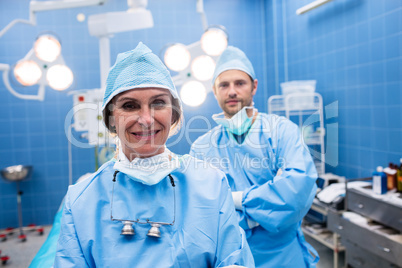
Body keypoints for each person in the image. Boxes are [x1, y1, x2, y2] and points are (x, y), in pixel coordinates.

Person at [54, 42, 255, 268]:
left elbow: (234, 261)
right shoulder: (82, 200)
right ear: (110, 119)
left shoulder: (211, 185)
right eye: (129, 106)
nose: (147, 119)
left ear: (174, 114)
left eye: (158, 103)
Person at [190, 46, 319, 267]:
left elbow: (297, 190)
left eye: (240, 83)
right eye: (224, 85)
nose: (232, 91)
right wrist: (265, 207)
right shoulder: (202, 148)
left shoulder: (282, 132)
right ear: (214, 90)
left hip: (283, 258)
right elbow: (202, 212)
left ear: (254, 87)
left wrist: (235, 200)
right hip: (230, 260)